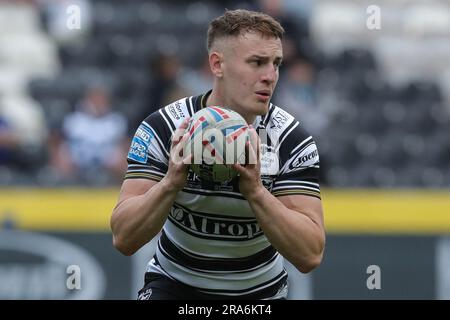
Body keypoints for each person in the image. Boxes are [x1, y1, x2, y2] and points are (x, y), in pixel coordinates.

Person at [111, 9, 325, 300]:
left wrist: (256, 192)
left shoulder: (290, 139)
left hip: (258, 294)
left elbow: (310, 254)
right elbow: (124, 238)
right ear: (217, 64)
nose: (270, 76)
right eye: (257, 62)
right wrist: (171, 182)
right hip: (174, 286)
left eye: (276, 63)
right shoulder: (165, 127)